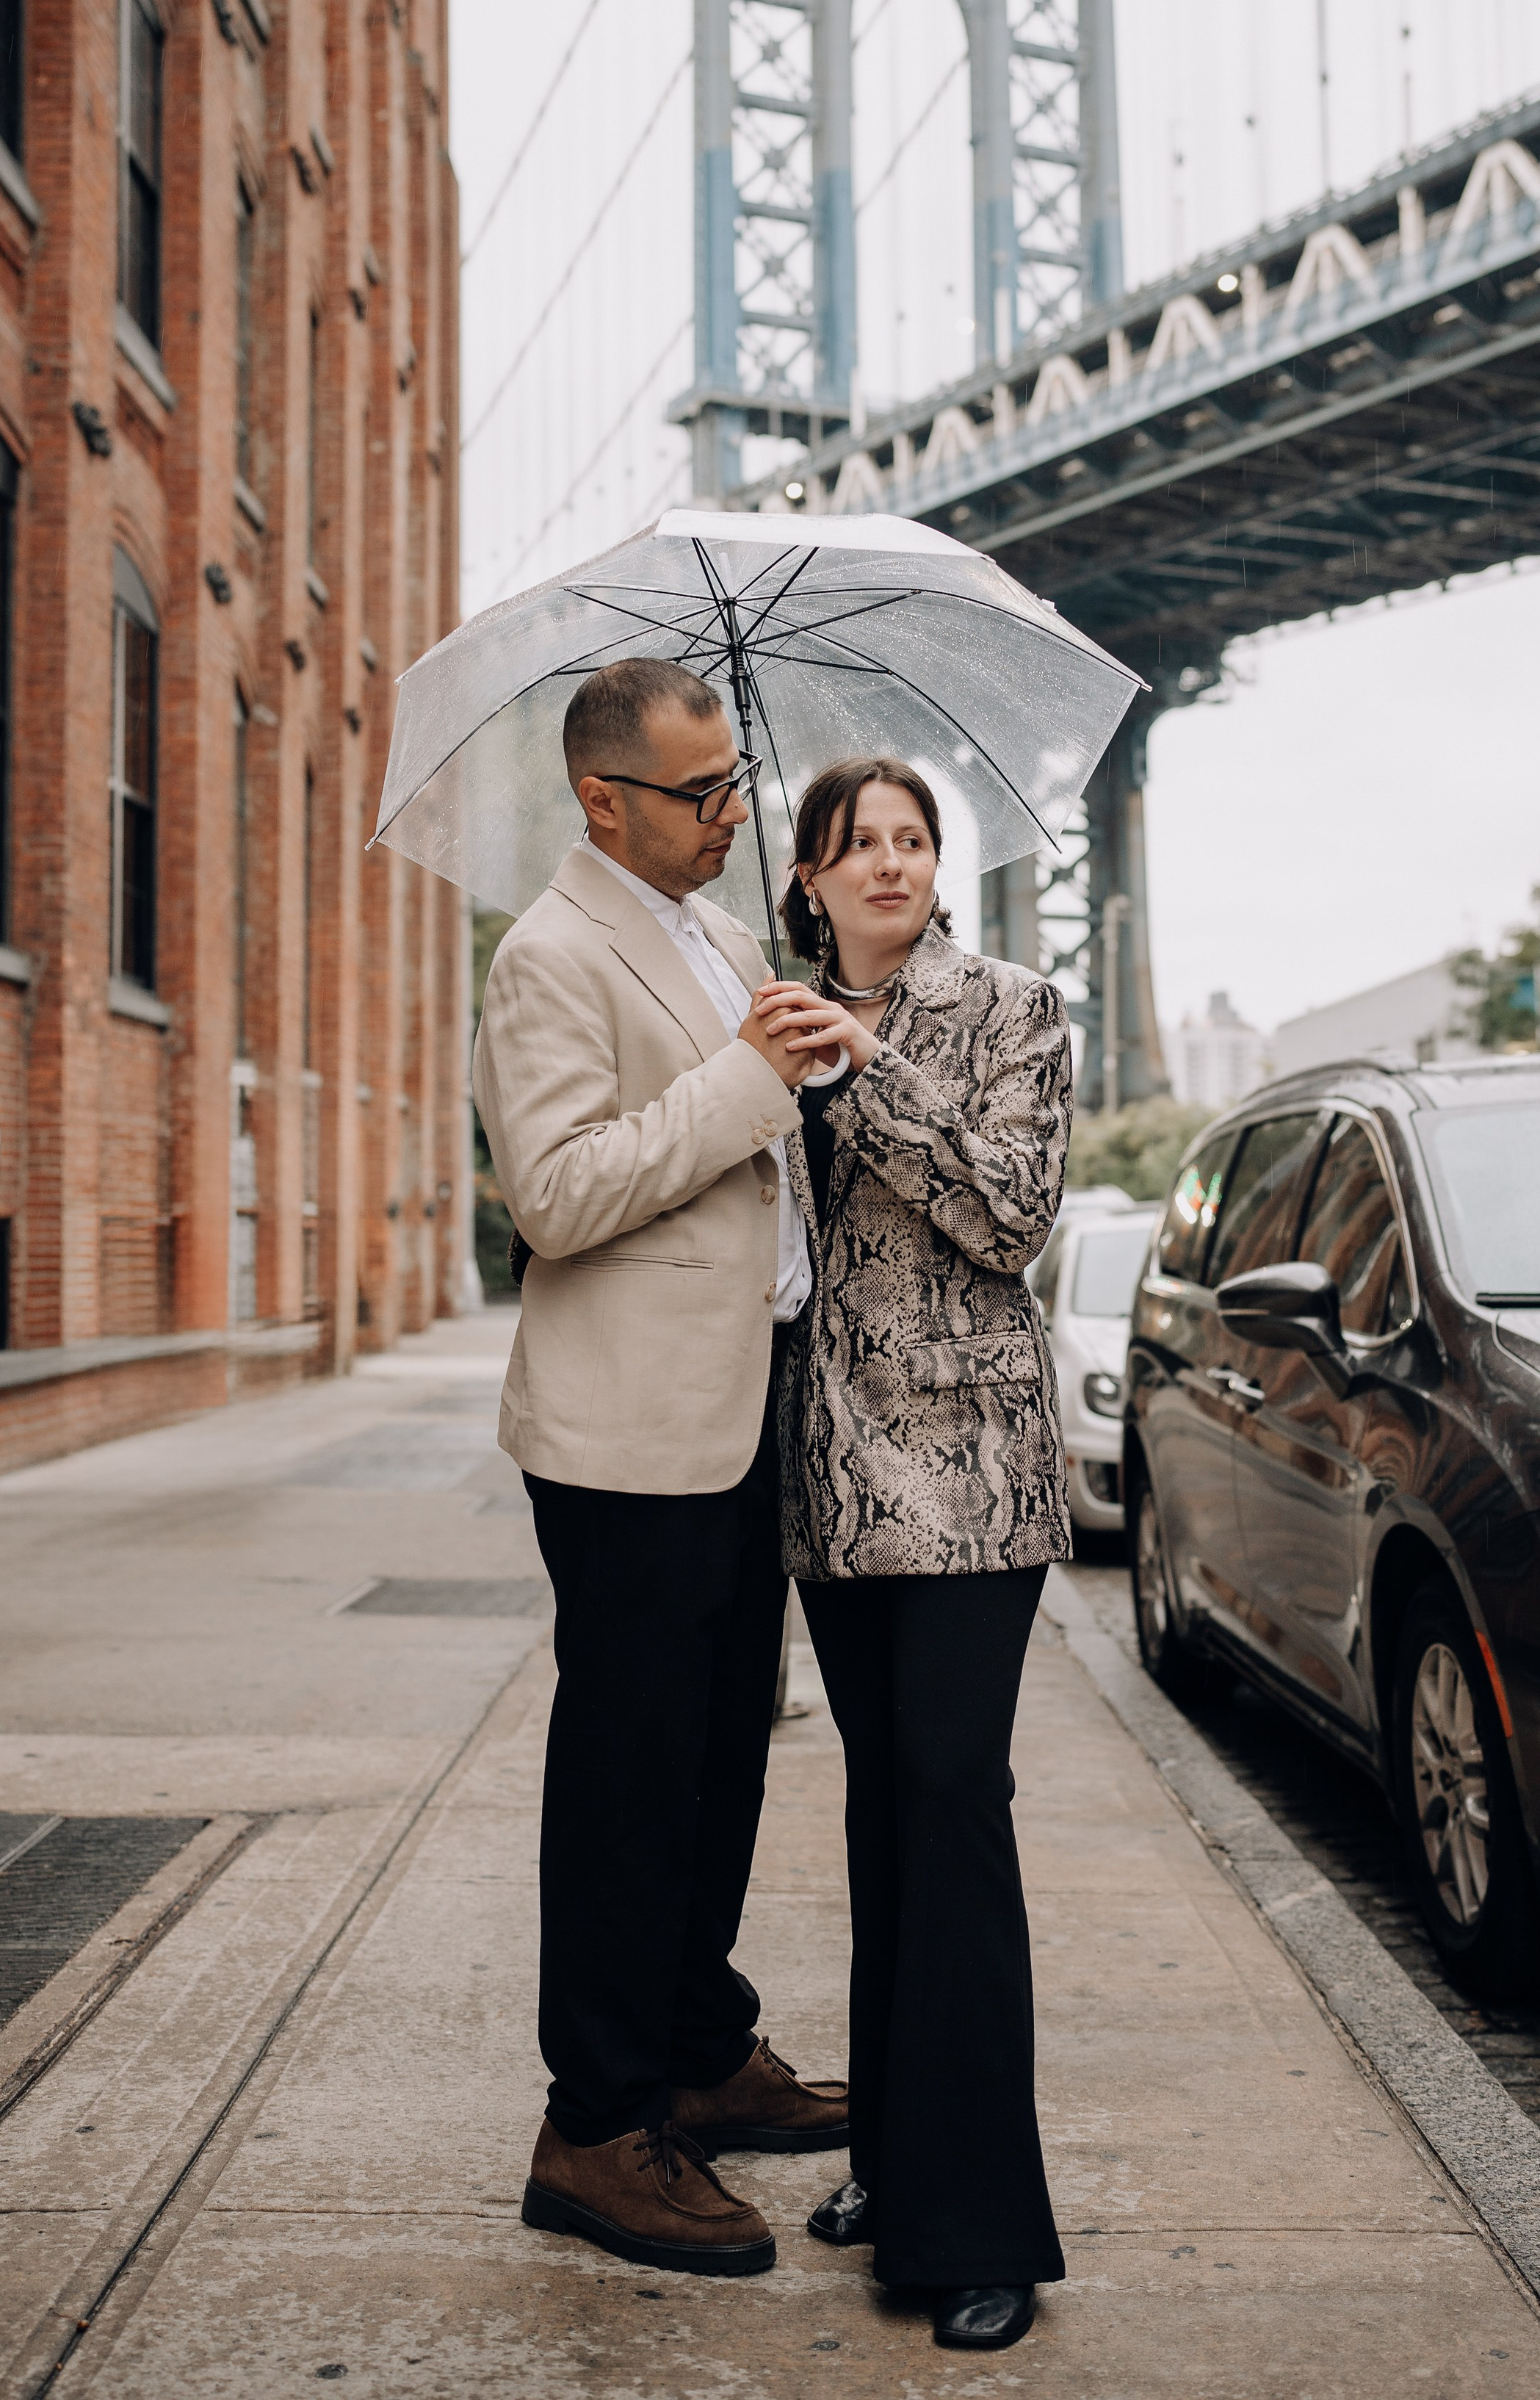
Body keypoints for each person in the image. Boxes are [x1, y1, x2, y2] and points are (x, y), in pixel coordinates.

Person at [474, 658, 848, 2281]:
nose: (732, 812)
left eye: (733, 783)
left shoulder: (713, 928)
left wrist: (802, 1048)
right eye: (700, 794)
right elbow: (554, 1196)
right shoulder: (548, 957)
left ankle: (697, 2047)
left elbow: (740, 1151)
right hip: (627, 1434)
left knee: (721, 1756)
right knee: (628, 1780)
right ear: (601, 801)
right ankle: (596, 2124)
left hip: (739, 1403)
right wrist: (751, 1077)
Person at [748, 756, 1072, 2356]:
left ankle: (976, 2221)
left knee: (951, 1805)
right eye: (854, 845)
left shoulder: (1011, 1007)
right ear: (806, 876)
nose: (889, 864)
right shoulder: (773, 1008)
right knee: (885, 1819)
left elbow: (1010, 1215)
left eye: (911, 839)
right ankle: (894, 2153)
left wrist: (864, 1071)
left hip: (964, 1476)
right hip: (825, 1485)